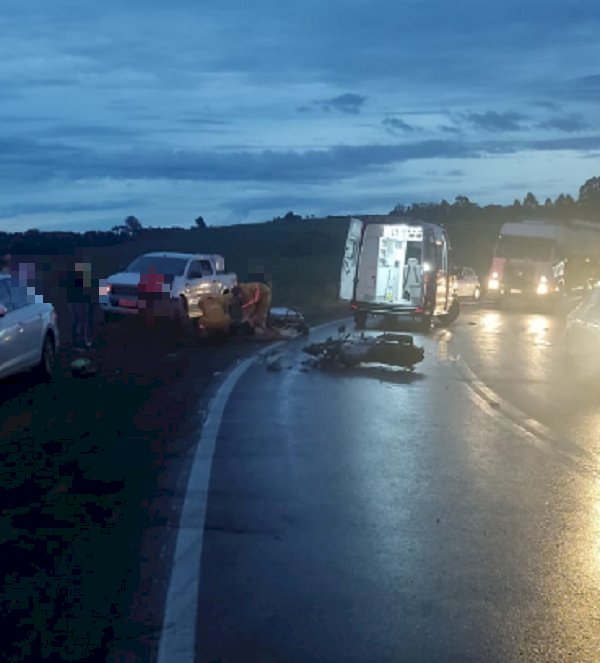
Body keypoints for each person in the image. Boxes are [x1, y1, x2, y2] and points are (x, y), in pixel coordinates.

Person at [65, 260, 95, 349]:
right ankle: (79, 340)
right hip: (78, 300)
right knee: (80, 320)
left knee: (81, 320)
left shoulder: (77, 276)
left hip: (80, 300)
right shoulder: (76, 277)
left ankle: (80, 340)